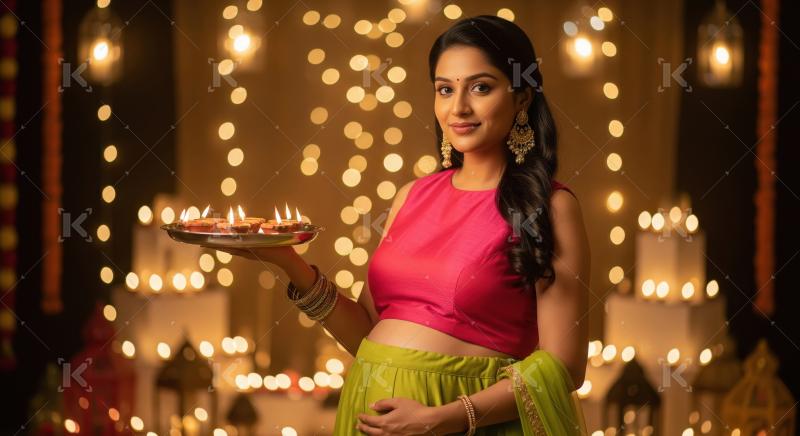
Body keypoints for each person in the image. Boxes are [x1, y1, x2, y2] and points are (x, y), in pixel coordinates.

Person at [219, 15, 590, 436]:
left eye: (481, 87)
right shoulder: (413, 195)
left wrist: (444, 417)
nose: (459, 108)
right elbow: (367, 335)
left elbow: (565, 367)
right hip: (371, 417)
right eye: (445, 89)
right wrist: (287, 262)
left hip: (461, 425)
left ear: (522, 97)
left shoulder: (550, 207)